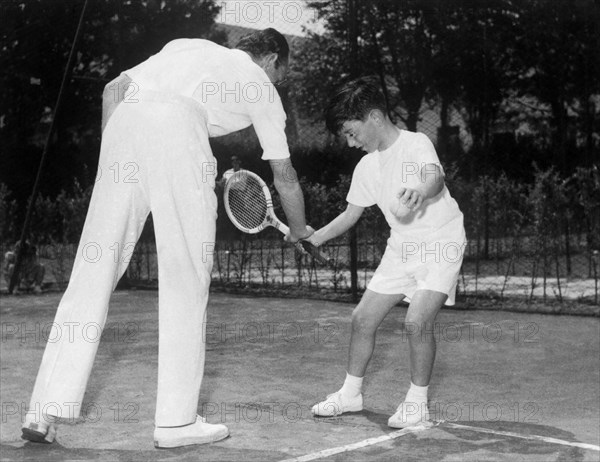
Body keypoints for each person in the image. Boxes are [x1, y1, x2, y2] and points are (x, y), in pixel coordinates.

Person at [21, 28, 313, 448]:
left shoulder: (185, 47)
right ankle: (176, 423)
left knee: (92, 271)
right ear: (270, 60)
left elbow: (112, 89)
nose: (278, 83)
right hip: (179, 128)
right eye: (281, 75)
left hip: (124, 126)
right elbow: (283, 173)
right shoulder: (260, 84)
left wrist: (117, 163)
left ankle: (41, 410)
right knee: (185, 278)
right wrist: (299, 228)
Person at [307, 77, 466, 428]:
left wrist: (421, 191)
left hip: (442, 240)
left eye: (352, 132)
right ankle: (350, 395)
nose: (351, 143)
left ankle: (417, 404)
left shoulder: (415, 143)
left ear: (375, 118)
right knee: (362, 319)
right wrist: (314, 238)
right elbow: (350, 215)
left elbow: (434, 176)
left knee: (416, 321)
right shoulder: (366, 167)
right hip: (401, 246)